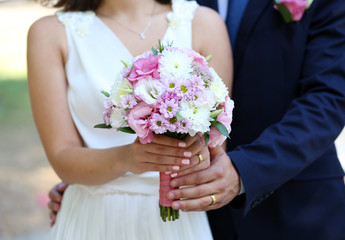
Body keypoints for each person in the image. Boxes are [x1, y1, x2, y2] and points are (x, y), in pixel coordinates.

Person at [49, 0, 345, 239]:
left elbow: (327, 100)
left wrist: (244, 172)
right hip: (186, 212)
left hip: (293, 207)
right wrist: (89, 176)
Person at [28, 0, 232, 239]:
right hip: (92, 218)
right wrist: (126, 159)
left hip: (178, 220)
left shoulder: (203, 23)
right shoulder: (50, 33)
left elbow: (215, 148)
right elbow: (62, 156)